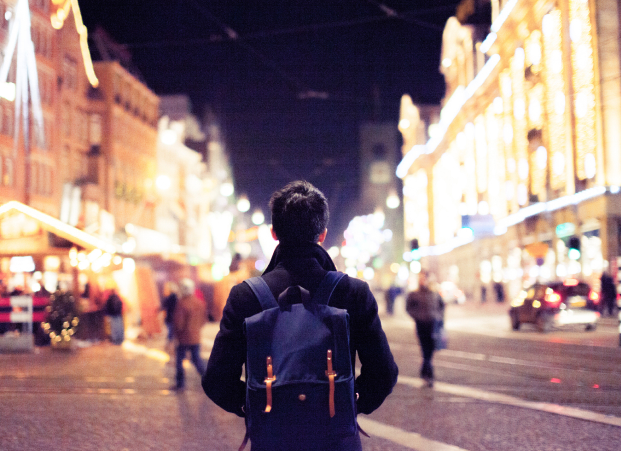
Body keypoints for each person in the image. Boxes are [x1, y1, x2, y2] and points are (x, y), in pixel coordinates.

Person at [202, 180, 398, 450]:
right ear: (322, 234)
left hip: (272, 441)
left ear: (273, 233)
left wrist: (257, 406)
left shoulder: (245, 296)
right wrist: (347, 403)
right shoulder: (354, 293)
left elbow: (216, 381)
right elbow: (384, 374)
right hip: (337, 441)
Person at [406, 271, 445, 388]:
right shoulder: (414, 294)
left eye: (425, 278)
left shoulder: (434, 293)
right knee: (425, 349)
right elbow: (408, 308)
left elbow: (442, 306)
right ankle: (429, 373)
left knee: (431, 349)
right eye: (421, 278)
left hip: (433, 325)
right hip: (421, 325)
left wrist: (439, 318)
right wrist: (417, 317)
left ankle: (425, 370)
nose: (423, 280)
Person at [172, 278, 206, 390]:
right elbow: (203, 320)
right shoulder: (199, 303)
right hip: (196, 337)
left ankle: (180, 383)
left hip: (183, 337)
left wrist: (174, 335)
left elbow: (179, 323)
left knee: (179, 361)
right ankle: (208, 379)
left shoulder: (182, 303)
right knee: (196, 359)